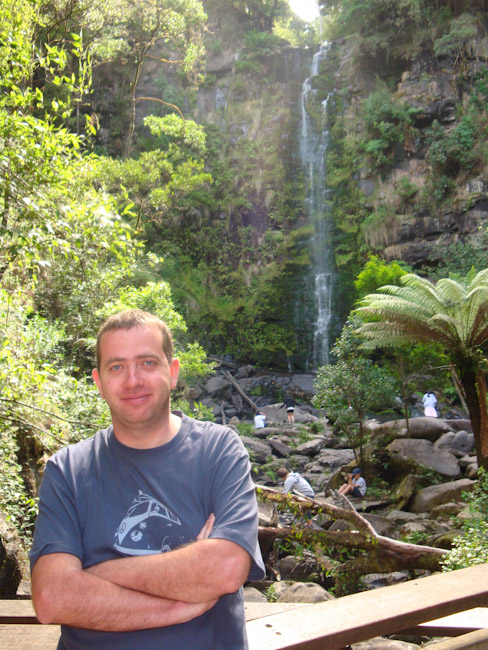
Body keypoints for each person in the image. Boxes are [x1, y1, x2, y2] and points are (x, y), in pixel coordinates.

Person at [30, 309, 265, 650]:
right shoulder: (68, 470)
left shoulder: (219, 450)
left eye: (148, 363)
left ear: (172, 373)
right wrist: (181, 603)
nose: (132, 380)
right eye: (117, 367)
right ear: (98, 382)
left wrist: (97, 575)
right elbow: (52, 597)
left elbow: (226, 567)